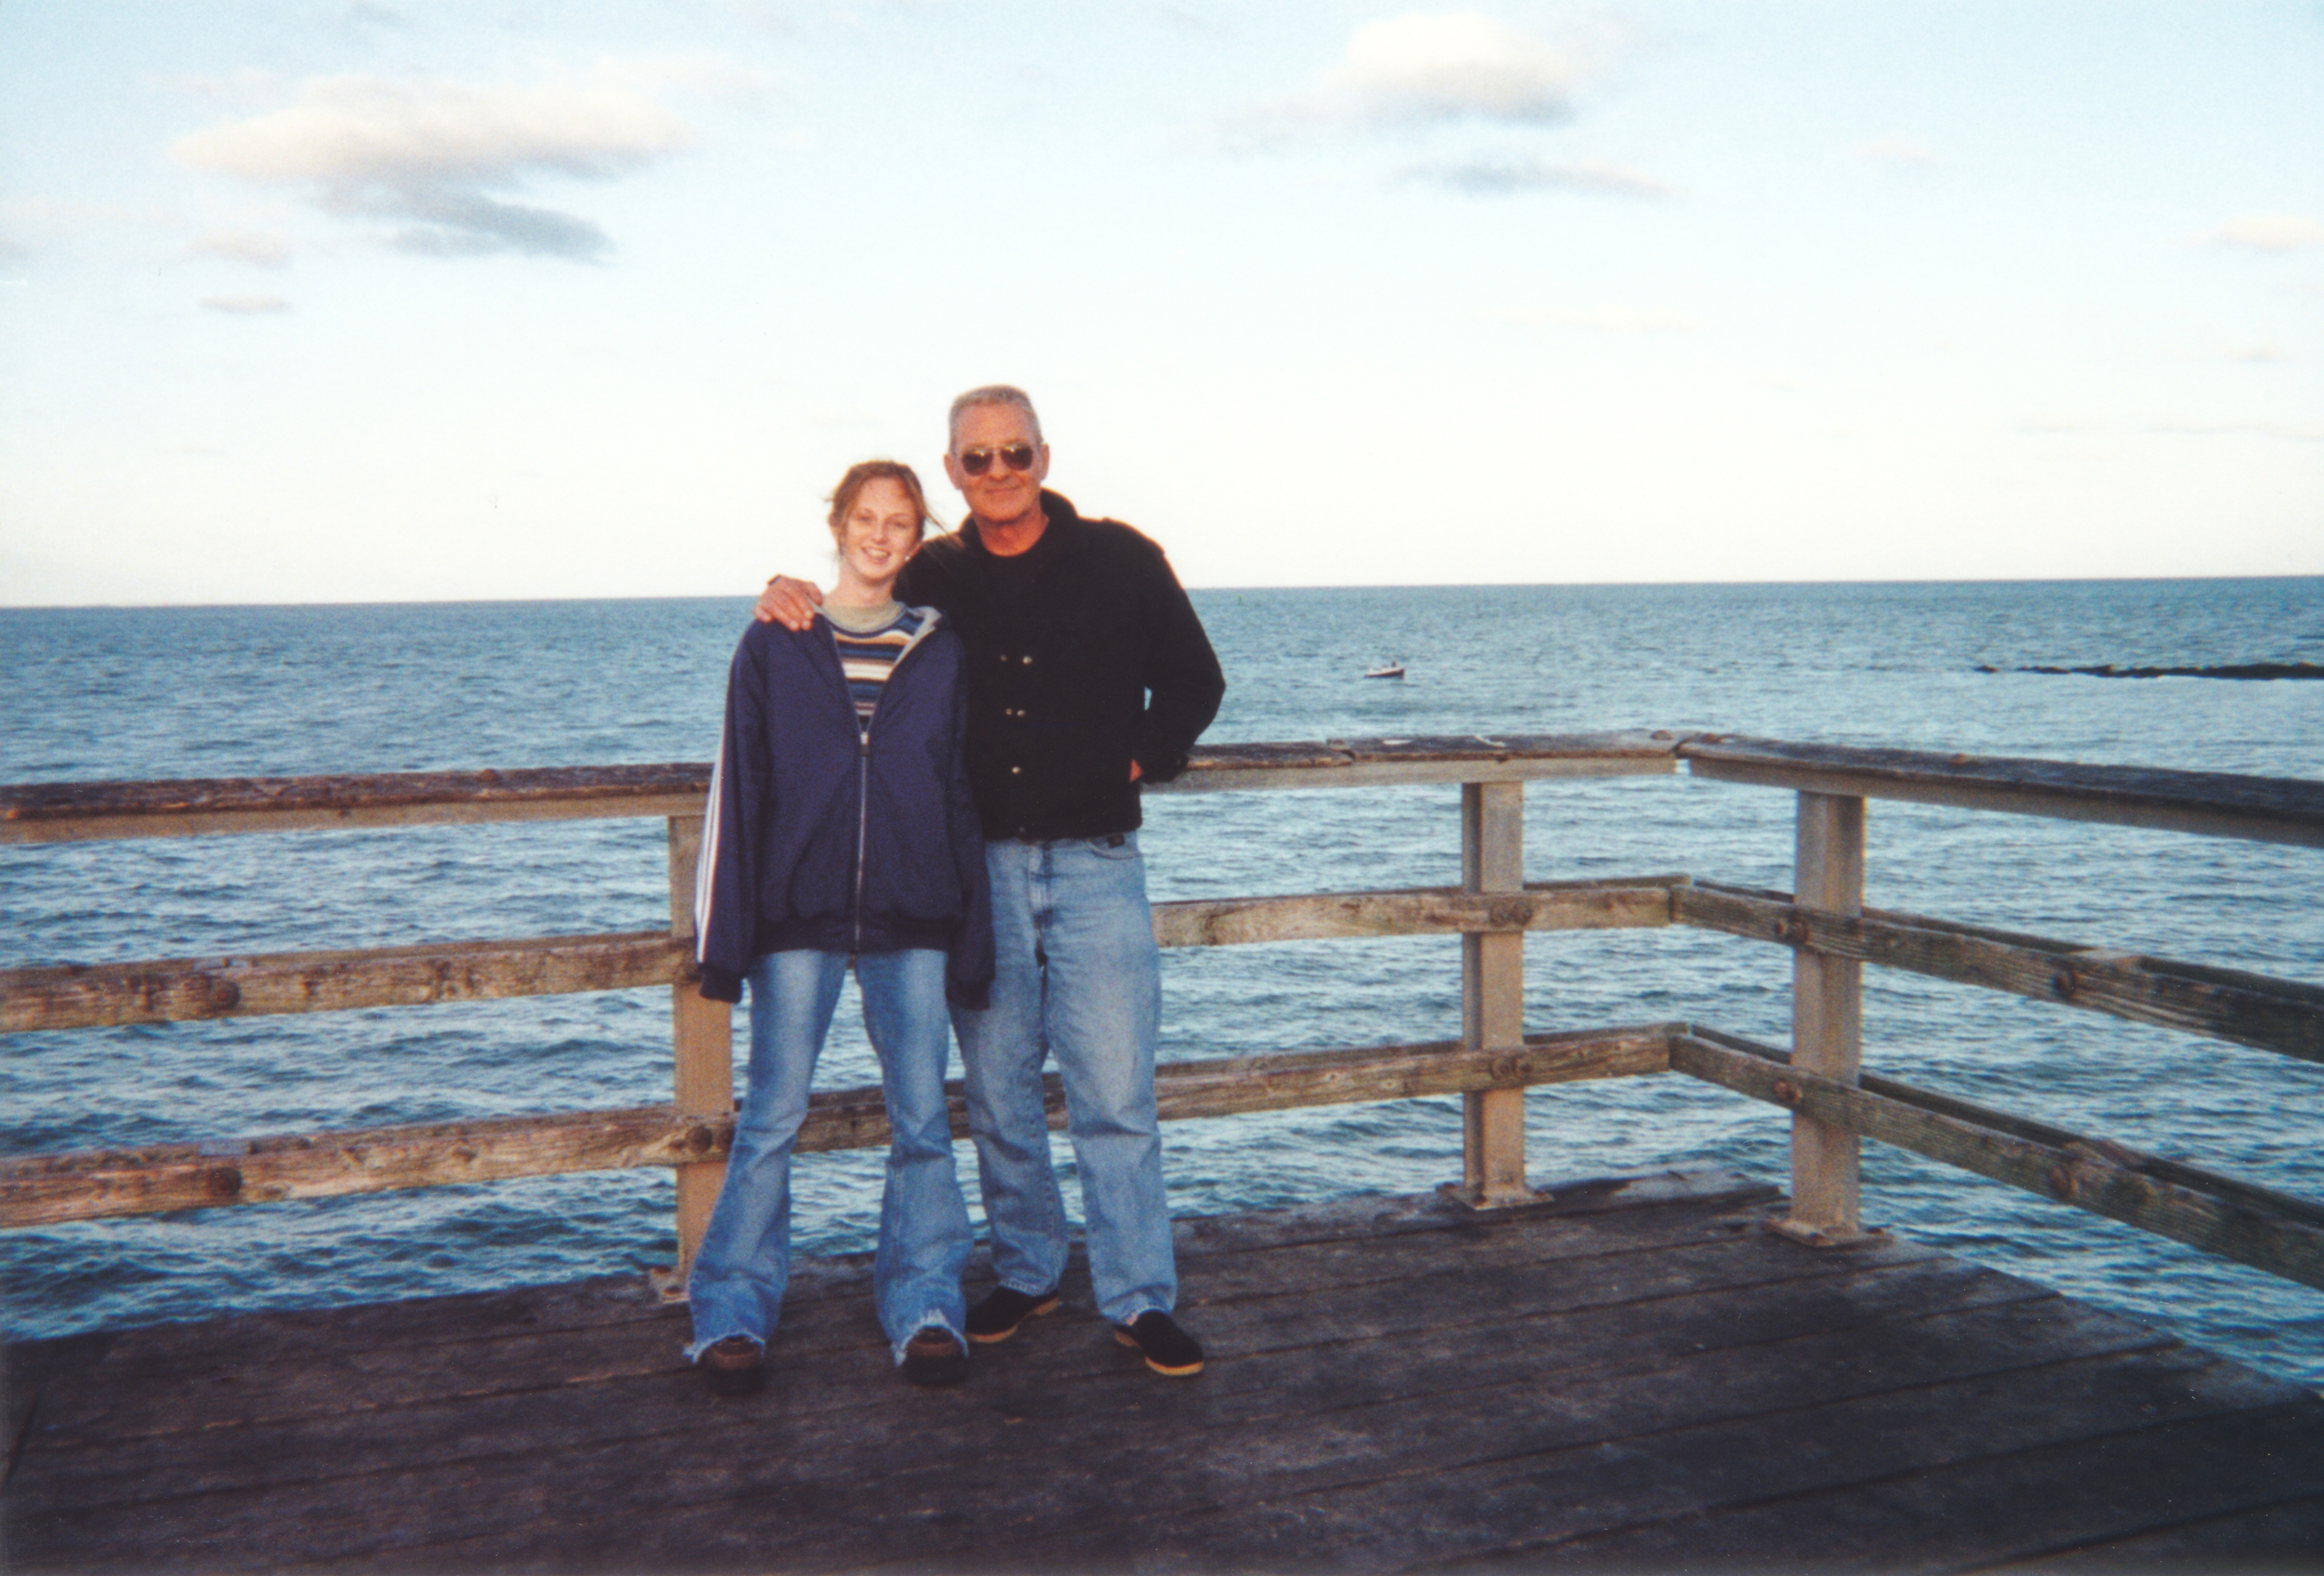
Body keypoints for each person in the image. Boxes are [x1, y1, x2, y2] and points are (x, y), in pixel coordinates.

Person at [755, 386, 1226, 1377]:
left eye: (1014, 453)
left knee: (1113, 1093)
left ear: (1045, 457)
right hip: (977, 874)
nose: (998, 471)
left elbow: (1194, 679)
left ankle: (1139, 1298)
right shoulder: (933, 572)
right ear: (954, 472)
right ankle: (1026, 1269)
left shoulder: (1120, 558)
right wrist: (782, 594)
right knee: (1002, 1093)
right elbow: (856, 606)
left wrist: (1136, 760)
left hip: (1098, 863)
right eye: (976, 459)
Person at [687, 460, 993, 1396]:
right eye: (867, 517)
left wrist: (970, 931)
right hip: (797, 919)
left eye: (901, 522)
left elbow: (958, 794)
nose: (882, 535)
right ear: (837, 523)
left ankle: (926, 1303)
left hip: (912, 914)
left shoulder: (940, 650)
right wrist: (727, 943)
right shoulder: (778, 639)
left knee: (922, 1122)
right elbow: (739, 788)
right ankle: (731, 1314)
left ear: (918, 535)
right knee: (771, 1118)